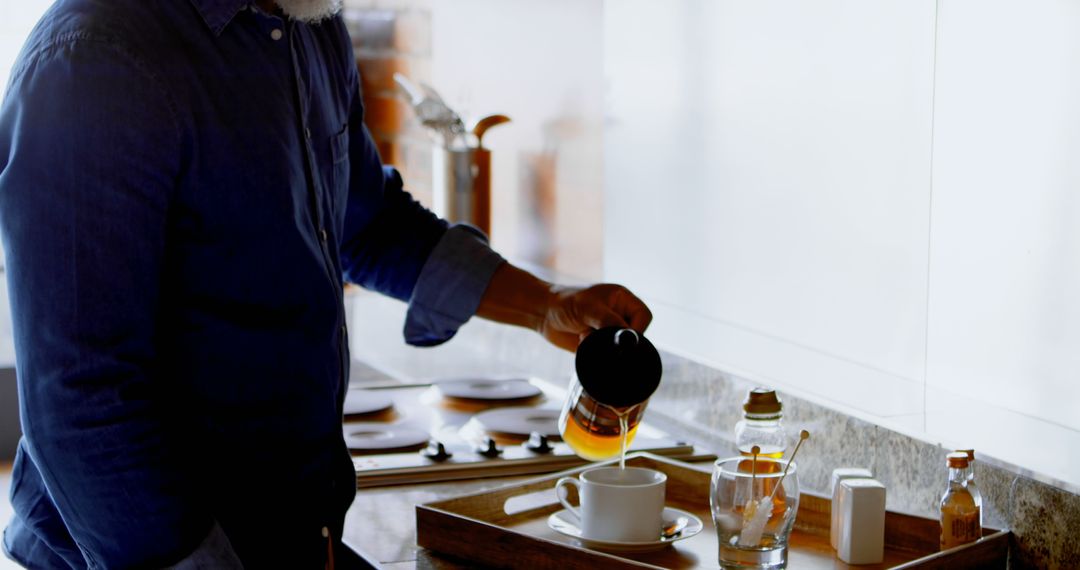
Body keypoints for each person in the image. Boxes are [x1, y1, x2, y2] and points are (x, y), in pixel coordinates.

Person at [0, 0, 652, 567]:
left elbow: (366, 224)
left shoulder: (308, 27)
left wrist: (545, 306)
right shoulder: (94, 59)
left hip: (293, 534)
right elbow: (83, 401)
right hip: (142, 552)